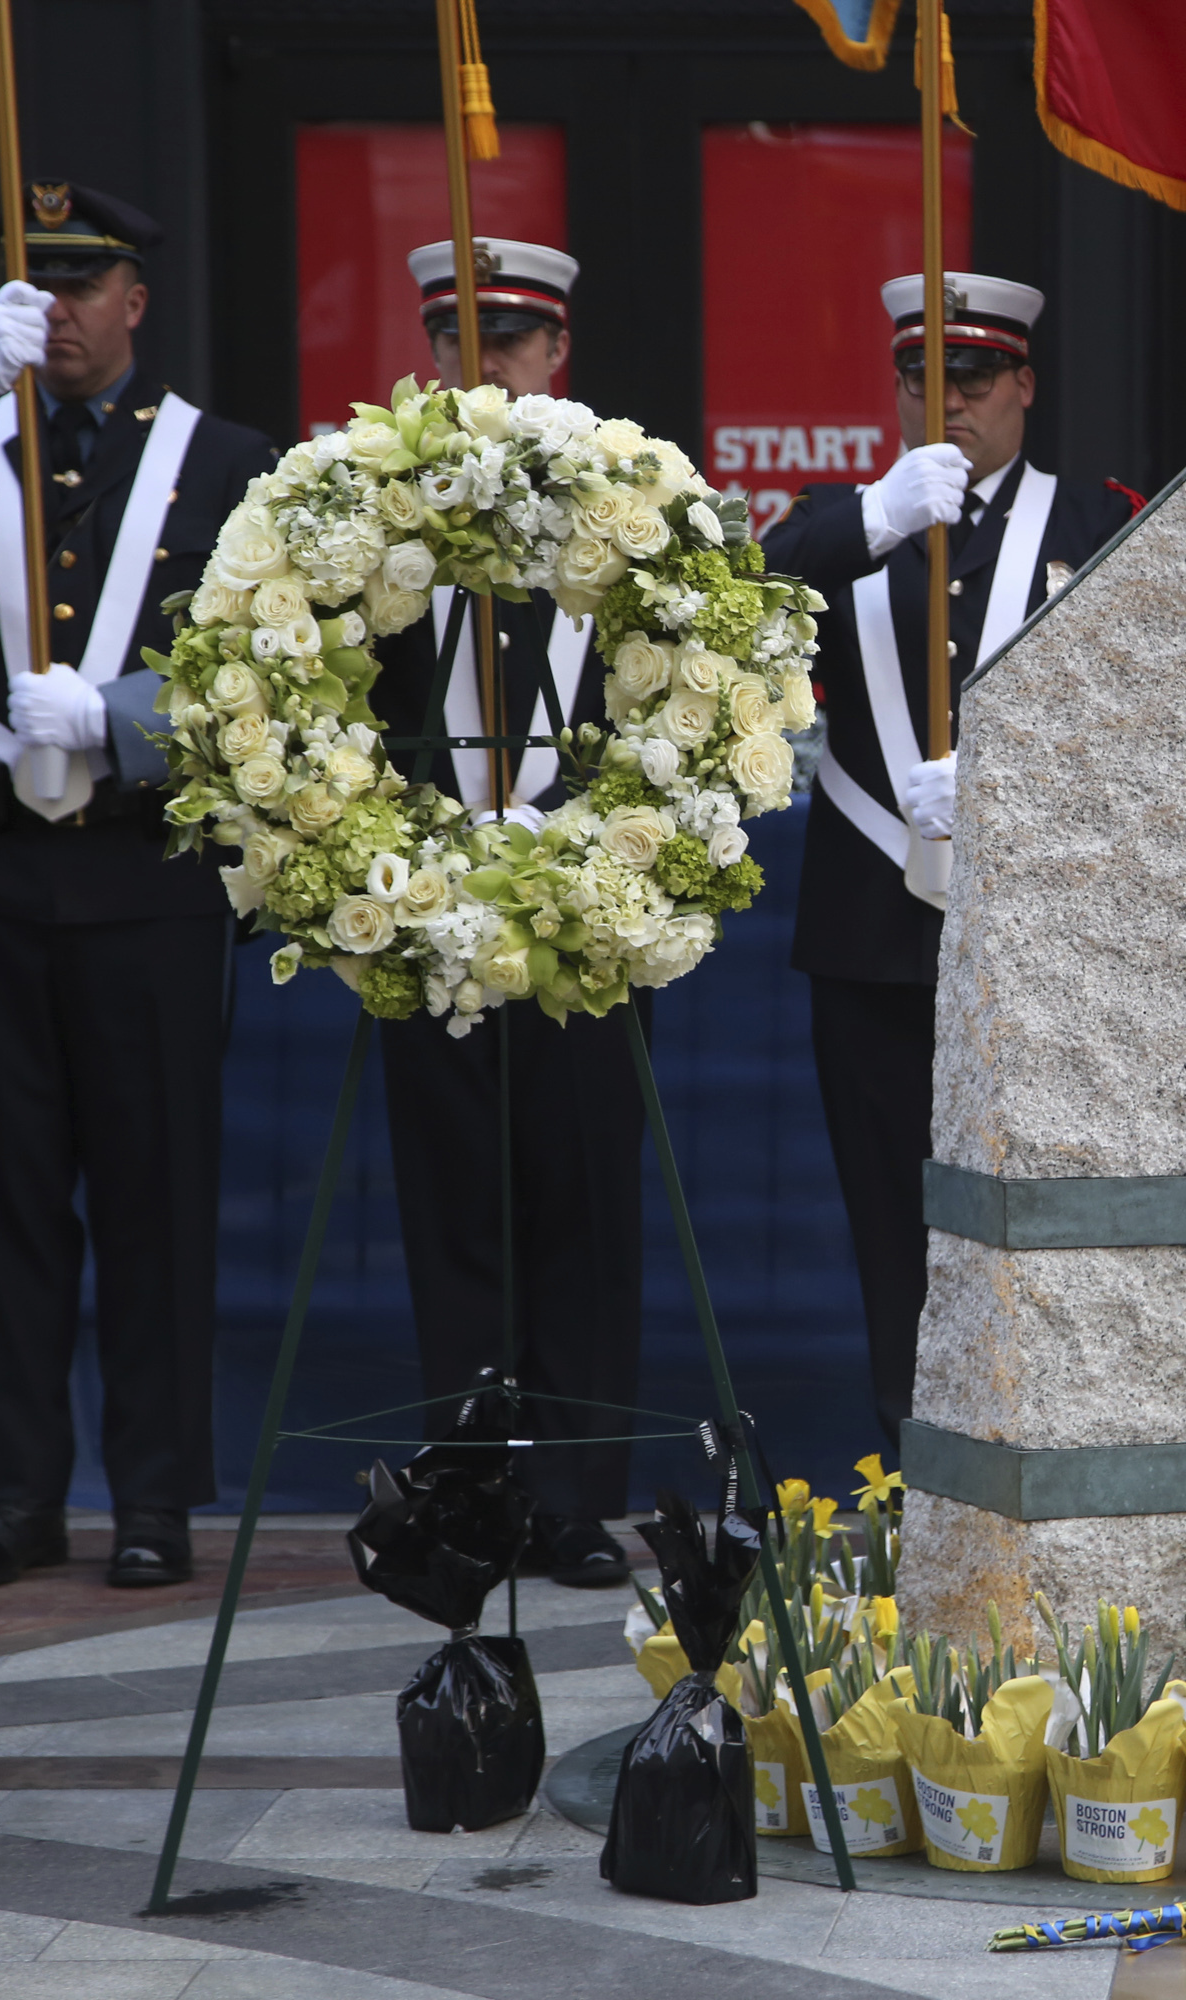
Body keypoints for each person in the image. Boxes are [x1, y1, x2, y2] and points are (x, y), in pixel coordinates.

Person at [0, 183, 275, 1590]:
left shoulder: (222, 462)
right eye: (41, 287)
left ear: (135, 301)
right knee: (8, 1204)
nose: (63, 310)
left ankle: (153, 1496)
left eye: (87, 285)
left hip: (143, 883)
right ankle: (17, 1490)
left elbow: (269, 668)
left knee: (152, 1201)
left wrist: (127, 720)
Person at [764, 271, 1138, 1446]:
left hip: (1037, 933)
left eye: (973, 376)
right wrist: (872, 517)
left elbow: (1137, 711)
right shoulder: (845, 520)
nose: (948, 399)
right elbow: (735, 600)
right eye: (922, 375)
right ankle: (915, 1461)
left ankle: (1037, 1454)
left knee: (1036, 1212)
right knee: (891, 1221)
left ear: (1024, 384)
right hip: (872, 933)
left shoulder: (1093, 523)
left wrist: (1010, 776)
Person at [369, 237, 639, 1586]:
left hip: (585, 912)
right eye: (456, 344)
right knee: (458, 1210)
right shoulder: (375, 502)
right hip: (428, 912)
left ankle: (576, 1496)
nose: (484, 369)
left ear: (557, 356)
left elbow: (680, 704)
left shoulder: (628, 502)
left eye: (513, 344)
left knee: (583, 1206)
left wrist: (584, 829)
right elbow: (338, 700)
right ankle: (471, 1493)